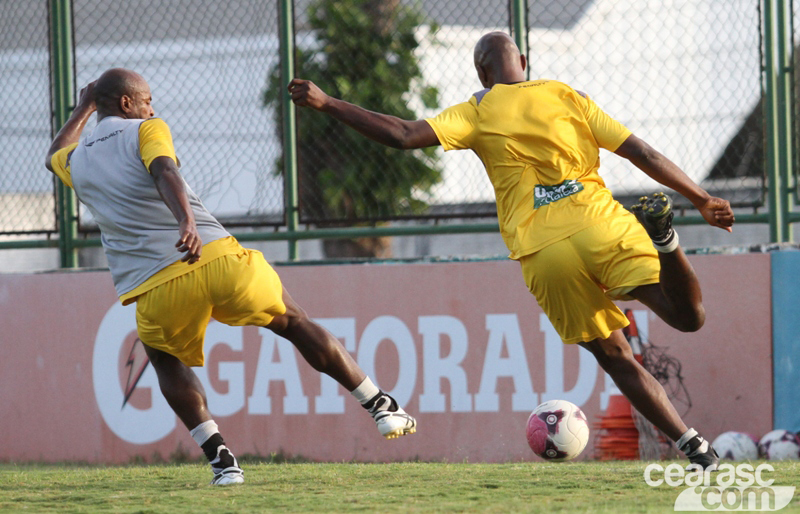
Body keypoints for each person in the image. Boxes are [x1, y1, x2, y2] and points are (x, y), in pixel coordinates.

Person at [288, 32, 735, 470]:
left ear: (482, 73)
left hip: (543, 252)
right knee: (687, 316)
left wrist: (328, 103)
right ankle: (665, 239)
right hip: (600, 225)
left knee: (615, 356)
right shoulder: (567, 95)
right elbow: (640, 150)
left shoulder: (478, 109)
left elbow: (403, 134)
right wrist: (699, 197)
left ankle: (695, 448)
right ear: (524, 61)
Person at [45, 68, 416, 486]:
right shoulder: (146, 129)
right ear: (128, 104)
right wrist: (186, 220)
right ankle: (380, 405)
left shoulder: (77, 159)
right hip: (217, 257)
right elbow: (165, 170)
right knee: (294, 322)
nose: (153, 107)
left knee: (164, 360)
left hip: (156, 286)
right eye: (147, 99)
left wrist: (82, 106)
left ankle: (221, 460)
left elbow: (53, 153)